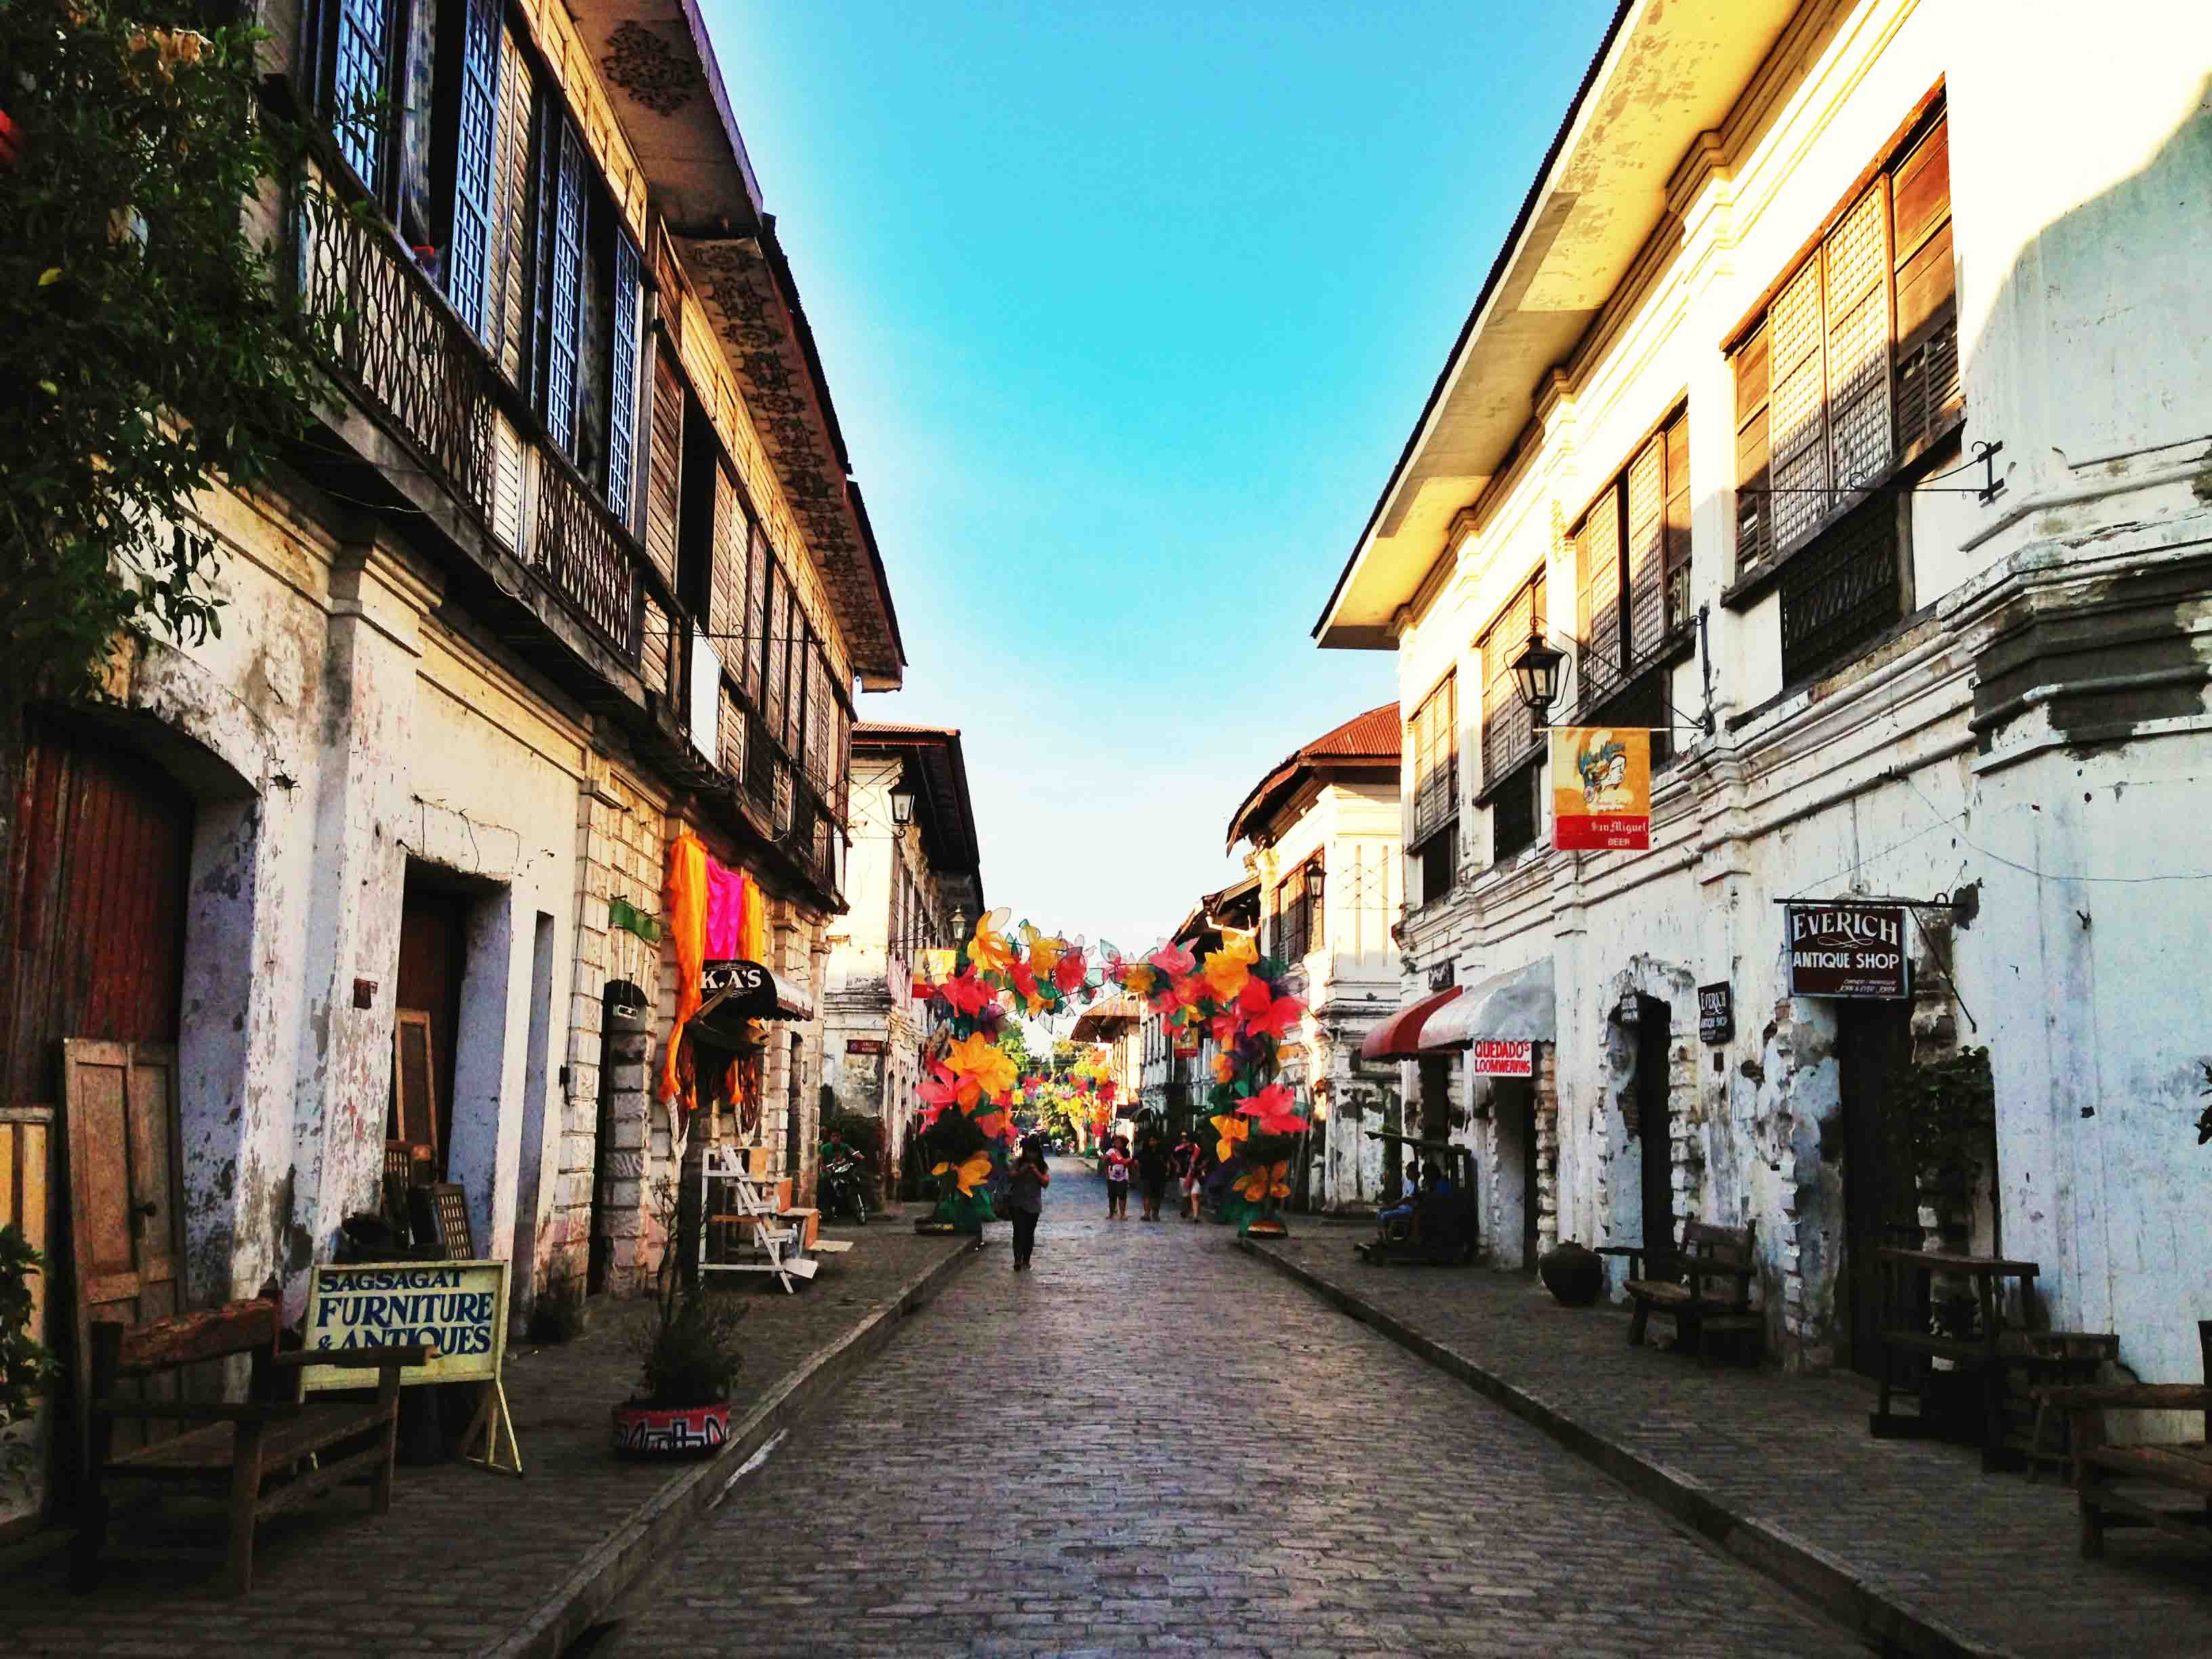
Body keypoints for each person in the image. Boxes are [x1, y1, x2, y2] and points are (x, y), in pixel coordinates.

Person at [1005, 1133, 1050, 1271]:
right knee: (1018, 1231)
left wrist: (1036, 1172)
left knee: (1029, 1233)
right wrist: (1022, 1171)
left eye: (1034, 1152)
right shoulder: (1017, 1162)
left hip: (1034, 1204)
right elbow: (1011, 1178)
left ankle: (1026, 1260)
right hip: (1017, 1202)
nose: (1031, 1155)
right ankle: (1017, 1260)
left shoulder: (1042, 1166)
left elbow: (1046, 1183)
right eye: (1029, 1152)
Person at [1134, 1124, 1170, 1222]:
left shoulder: (1162, 1151)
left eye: (1154, 1140)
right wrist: (1137, 1168)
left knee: (1158, 1196)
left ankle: (1156, 1213)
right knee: (1147, 1195)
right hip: (1146, 1175)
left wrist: (1167, 1171)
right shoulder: (1144, 1151)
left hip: (1160, 1176)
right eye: (1150, 1140)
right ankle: (1147, 1213)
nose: (1152, 1142)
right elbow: (1136, 1160)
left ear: (1157, 1141)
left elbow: (1167, 1162)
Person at [1103, 1134, 1132, 1218]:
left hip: (1123, 1177)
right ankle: (1111, 1214)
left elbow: (1128, 1163)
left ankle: (1122, 1214)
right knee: (1112, 1196)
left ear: (1123, 1143)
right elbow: (1104, 1161)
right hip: (1112, 1177)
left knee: (1123, 1195)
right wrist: (1106, 1173)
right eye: (1116, 1142)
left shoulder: (1126, 1152)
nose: (1117, 1144)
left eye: (1119, 1142)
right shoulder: (1111, 1151)